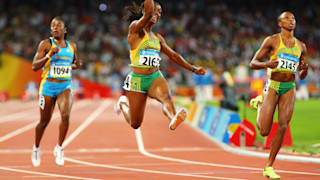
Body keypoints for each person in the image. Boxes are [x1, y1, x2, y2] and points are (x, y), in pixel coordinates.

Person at [115, 0, 205, 131]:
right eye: (155, 10)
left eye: (160, 12)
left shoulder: (158, 38)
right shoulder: (135, 29)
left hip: (154, 77)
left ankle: (173, 117)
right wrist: (148, 10)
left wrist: (193, 68)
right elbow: (146, 15)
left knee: (166, 98)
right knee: (135, 124)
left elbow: (174, 55)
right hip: (137, 80)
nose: (157, 14)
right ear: (146, 11)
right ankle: (123, 103)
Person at [250, 11, 308, 179]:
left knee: (283, 126)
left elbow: (301, 74)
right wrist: (267, 64)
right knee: (264, 131)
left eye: (293, 19)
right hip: (273, 85)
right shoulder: (272, 41)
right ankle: (260, 104)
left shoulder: (301, 46)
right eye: (287, 18)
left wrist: (304, 70)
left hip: (289, 87)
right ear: (280, 23)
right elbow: (252, 63)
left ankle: (269, 166)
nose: (291, 21)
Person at [31, 17, 81, 167]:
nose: (55, 28)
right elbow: (34, 66)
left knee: (65, 115)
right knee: (44, 122)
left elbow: (75, 63)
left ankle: (59, 148)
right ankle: (36, 148)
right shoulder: (46, 44)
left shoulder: (72, 46)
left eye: (58, 26)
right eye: (53, 26)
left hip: (65, 86)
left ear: (65, 30)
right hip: (48, 87)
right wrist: (48, 55)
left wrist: (76, 65)